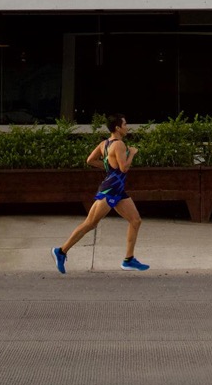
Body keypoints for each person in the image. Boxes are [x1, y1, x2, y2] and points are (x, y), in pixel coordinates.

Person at [52, 114, 149, 273]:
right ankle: (61, 251)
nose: (127, 127)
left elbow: (90, 160)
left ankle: (129, 259)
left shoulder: (104, 144)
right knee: (90, 223)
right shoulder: (119, 145)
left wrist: (109, 169)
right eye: (125, 124)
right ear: (117, 128)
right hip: (110, 190)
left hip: (117, 190)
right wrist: (131, 153)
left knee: (136, 220)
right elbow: (124, 168)